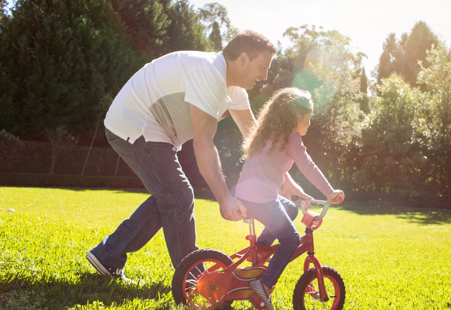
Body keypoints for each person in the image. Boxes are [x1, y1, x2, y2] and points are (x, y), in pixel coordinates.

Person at [85, 31, 311, 282]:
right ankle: (193, 281)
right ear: (243, 59)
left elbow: (259, 144)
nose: (265, 76)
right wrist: (225, 198)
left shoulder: (234, 89)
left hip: (157, 131)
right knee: (179, 196)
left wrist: (286, 182)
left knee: (171, 196)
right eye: (262, 67)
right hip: (136, 121)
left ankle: (108, 254)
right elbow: (203, 143)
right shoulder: (209, 73)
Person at [235, 87, 344, 310]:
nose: (310, 122)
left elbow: (278, 170)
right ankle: (263, 286)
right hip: (262, 199)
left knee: (291, 209)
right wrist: (329, 192)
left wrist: (294, 190)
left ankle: (261, 250)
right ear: (295, 117)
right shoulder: (291, 138)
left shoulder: (271, 134)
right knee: (292, 240)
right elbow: (308, 166)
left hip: (247, 195)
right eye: (309, 117)